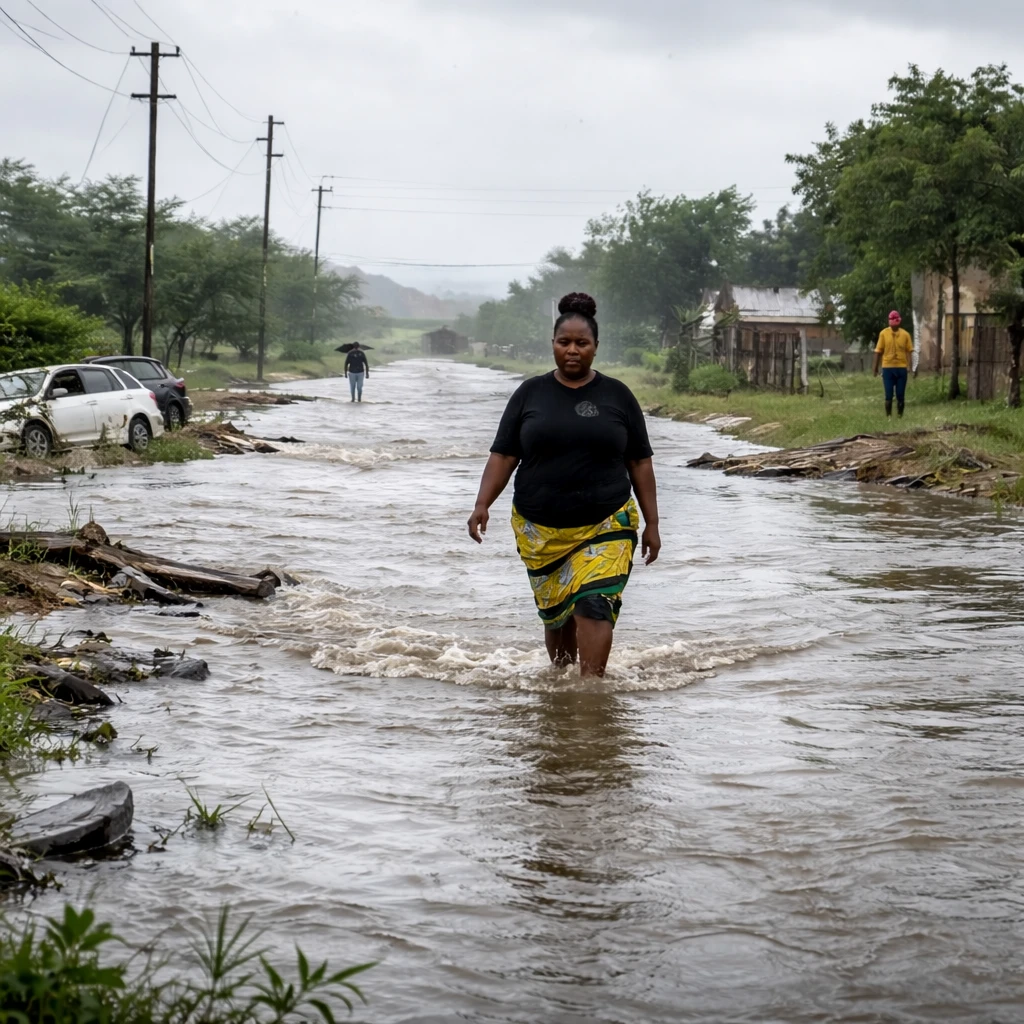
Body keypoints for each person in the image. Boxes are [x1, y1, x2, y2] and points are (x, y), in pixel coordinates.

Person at [467, 292, 661, 678]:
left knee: (595, 603)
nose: (572, 350)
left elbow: (639, 461)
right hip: (540, 528)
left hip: (607, 521)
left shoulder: (618, 396)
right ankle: (560, 687)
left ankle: (591, 695)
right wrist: (482, 503)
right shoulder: (530, 394)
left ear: (595, 348)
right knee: (557, 619)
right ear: (553, 345)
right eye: (564, 342)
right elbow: (504, 455)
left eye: (581, 343)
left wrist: (653, 523)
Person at [873, 310, 916, 417]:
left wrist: (911, 368)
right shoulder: (883, 334)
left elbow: (909, 352)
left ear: (899, 322)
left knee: (900, 394)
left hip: (901, 368)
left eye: (896, 323)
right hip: (887, 368)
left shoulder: (905, 334)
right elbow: (878, 351)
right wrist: (875, 368)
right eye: (892, 323)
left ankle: (900, 416)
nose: (894, 325)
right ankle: (888, 416)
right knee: (888, 394)